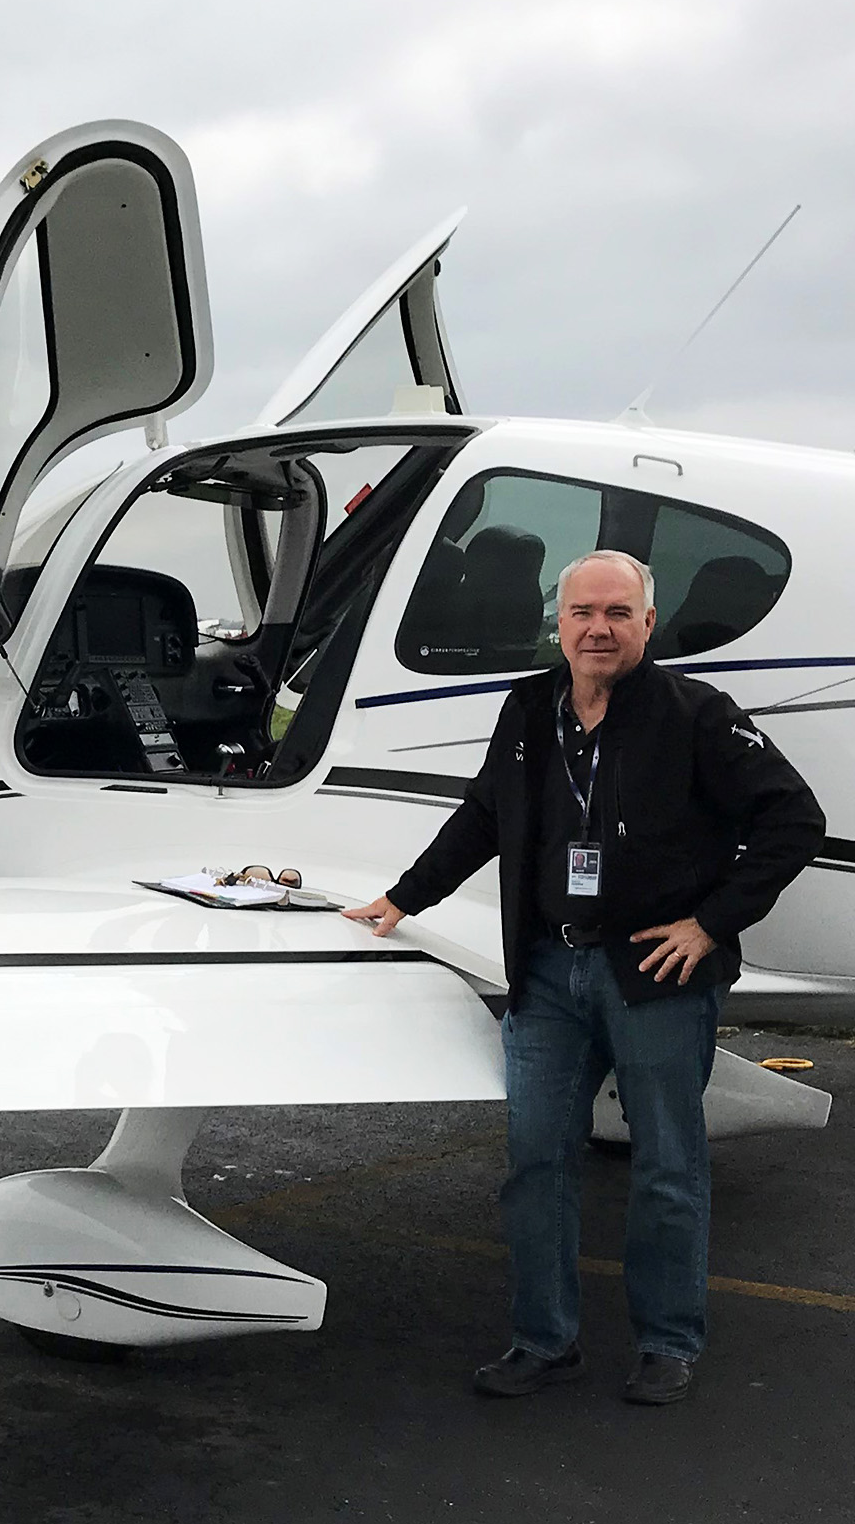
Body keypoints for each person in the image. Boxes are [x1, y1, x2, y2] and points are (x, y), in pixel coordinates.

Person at [344, 550, 822, 1405]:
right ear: (557, 624)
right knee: (536, 1163)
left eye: (616, 613)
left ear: (647, 623)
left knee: (669, 1165)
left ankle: (668, 1343)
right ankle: (543, 1341)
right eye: (580, 613)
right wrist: (402, 898)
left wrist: (710, 925)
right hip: (548, 970)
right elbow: (486, 813)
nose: (597, 628)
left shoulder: (698, 715)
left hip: (653, 976)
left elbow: (795, 819)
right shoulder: (530, 708)